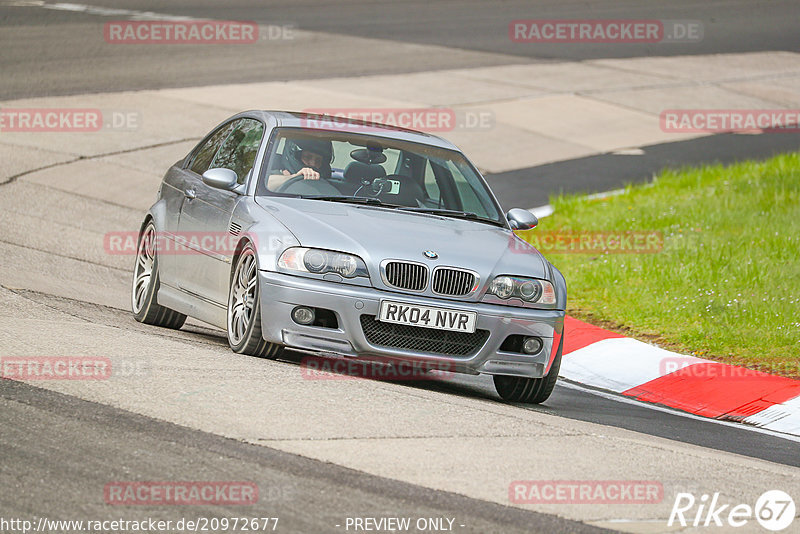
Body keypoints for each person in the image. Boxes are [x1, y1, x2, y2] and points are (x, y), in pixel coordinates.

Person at [267, 137, 333, 190]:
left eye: (318, 160)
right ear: (296, 156)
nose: (313, 164)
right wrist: (294, 177)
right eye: (307, 157)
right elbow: (264, 185)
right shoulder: (277, 173)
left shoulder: (327, 184)